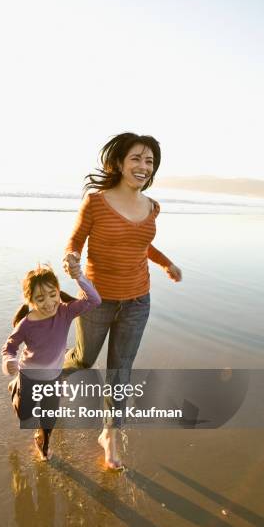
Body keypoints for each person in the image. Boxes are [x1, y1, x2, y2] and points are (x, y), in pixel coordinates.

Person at [63, 132, 182, 469]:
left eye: (150, 161)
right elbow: (75, 240)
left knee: (121, 370)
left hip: (137, 301)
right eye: (137, 159)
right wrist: (71, 258)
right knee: (84, 359)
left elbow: (142, 245)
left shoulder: (152, 207)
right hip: (98, 298)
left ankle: (110, 437)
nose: (144, 166)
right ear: (118, 162)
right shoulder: (96, 202)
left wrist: (166, 263)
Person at [1, 262, 101, 461]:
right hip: (29, 375)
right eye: (40, 298)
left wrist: (79, 276)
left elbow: (94, 300)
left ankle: (44, 443)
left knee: (49, 419)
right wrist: (9, 362)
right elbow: (9, 348)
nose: (48, 303)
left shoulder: (65, 312)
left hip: (54, 378)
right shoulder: (26, 324)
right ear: (30, 300)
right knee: (25, 416)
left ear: (58, 291)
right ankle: (14, 387)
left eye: (52, 294)